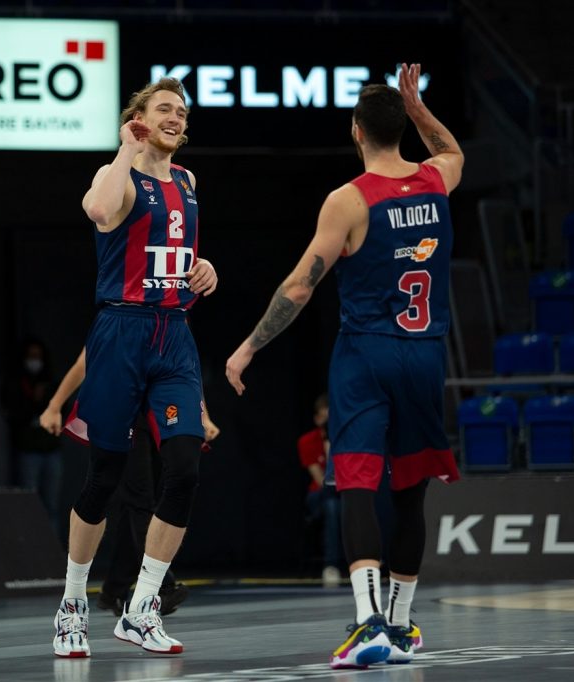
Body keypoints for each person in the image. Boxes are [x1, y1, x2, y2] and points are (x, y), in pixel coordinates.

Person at [225, 64, 463, 669]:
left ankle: (368, 623)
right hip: (425, 354)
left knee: (356, 482)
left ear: (356, 131)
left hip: (367, 353)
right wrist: (418, 108)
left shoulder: (349, 199)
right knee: (410, 494)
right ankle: (402, 625)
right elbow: (450, 149)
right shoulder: (437, 179)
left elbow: (300, 286)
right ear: (403, 127)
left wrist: (249, 346)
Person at [46, 77, 218, 659]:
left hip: (174, 333)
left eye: (181, 112)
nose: (175, 117)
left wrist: (205, 267)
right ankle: (72, 602)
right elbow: (99, 210)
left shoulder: (188, 181)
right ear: (139, 118)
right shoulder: (116, 173)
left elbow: (174, 251)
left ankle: (141, 608)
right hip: (121, 330)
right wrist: (126, 148)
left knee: (185, 468)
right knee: (105, 476)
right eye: (163, 108)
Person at [40, 348, 220, 617]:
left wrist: (202, 416)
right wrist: (55, 406)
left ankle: (114, 589)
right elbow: (84, 361)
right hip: (121, 412)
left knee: (141, 503)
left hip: (156, 412)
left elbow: (186, 367)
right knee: (138, 498)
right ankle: (162, 585)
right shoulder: (118, 322)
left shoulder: (171, 325)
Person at [2, 337, 64, 539]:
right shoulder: (15, 384)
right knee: (28, 504)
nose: (34, 361)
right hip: (27, 452)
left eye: (38, 356)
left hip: (51, 451)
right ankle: (29, 549)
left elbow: (64, 411)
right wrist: (33, 402)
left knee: (51, 505)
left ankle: (51, 550)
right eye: (31, 356)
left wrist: (45, 400)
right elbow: (12, 413)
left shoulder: (52, 384)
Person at [299, 393, 342, 586]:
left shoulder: (347, 439)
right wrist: (328, 445)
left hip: (345, 493)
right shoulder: (307, 441)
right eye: (325, 420)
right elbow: (323, 481)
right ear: (317, 419)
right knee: (332, 505)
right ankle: (331, 566)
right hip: (319, 495)